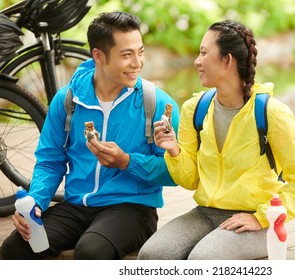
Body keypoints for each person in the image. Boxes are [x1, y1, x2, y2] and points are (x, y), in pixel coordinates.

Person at [1, 11, 179, 260]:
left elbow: (175, 171)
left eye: (140, 52)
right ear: (99, 56)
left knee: (91, 251)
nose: (138, 63)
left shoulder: (157, 103)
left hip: (132, 208)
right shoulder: (68, 100)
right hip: (77, 205)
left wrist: (126, 161)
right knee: (15, 247)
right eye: (127, 55)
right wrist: (36, 202)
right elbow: (51, 160)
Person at [137, 20, 295, 260]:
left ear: (227, 60)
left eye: (203, 53)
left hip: (256, 222)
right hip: (204, 214)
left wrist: (260, 217)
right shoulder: (195, 108)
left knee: (203, 260)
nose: (197, 61)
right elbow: (190, 181)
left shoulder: (271, 113)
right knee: (153, 255)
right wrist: (174, 151)